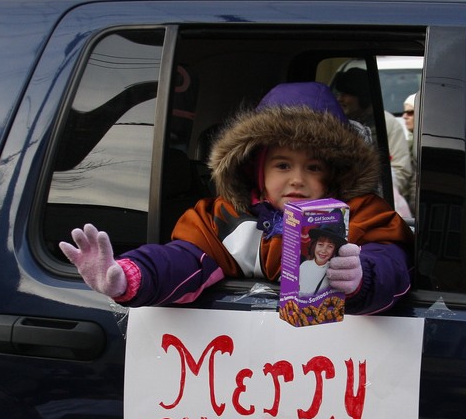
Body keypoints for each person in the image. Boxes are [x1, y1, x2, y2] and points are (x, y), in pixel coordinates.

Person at [60, 81, 413, 315]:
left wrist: (361, 278)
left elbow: (392, 264)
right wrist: (130, 276)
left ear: (335, 172)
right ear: (256, 170)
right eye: (282, 165)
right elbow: (183, 260)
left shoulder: (362, 215)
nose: (297, 179)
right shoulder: (226, 217)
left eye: (314, 167)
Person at [332, 68, 414, 219]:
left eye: (346, 94)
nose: (340, 99)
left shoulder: (387, 123)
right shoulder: (335, 123)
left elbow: (401, 169)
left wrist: (381, 192)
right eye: (338, 94)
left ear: (362, 95)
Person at [298, 220, 346, 296]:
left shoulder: (334, 271)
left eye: (330, 246)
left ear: (335, 250)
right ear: (314, 245)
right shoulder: (304, 266)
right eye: (320, 244)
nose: (323, 250)